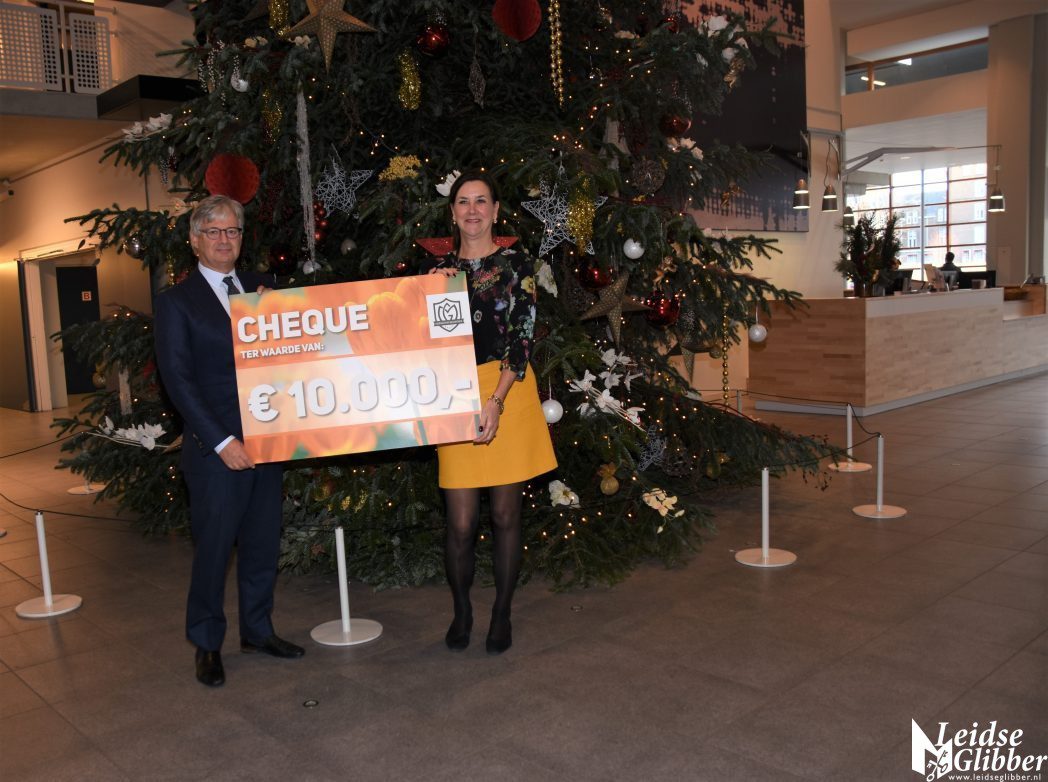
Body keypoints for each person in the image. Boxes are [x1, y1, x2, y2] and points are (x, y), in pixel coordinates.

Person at [154, 194, 304, 687]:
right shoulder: (177, 302)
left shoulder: (265, 288)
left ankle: (258, 631)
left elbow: (300, 349)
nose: (224, 239)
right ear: (195, 240)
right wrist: (222, 442)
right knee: (215, 551)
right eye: (213, 231)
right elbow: (178, 381)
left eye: (232, 231)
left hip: (269, 440)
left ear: (242, 238)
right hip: (215, 451)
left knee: (262, 544)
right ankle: (207, 643)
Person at [428, 169, 557, 655]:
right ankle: (462, 610)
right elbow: (413, 344)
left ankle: (501, 613)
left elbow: (521, 339)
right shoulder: (436, 274)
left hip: (508, 389)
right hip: (455, 395)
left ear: (496, 211)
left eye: (481, 201)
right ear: (453, 212)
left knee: (505, 515)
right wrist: (424, 295)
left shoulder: (518, 264)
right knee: (460, 523)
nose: (473, 210)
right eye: (464, 201)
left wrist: (497, 401)